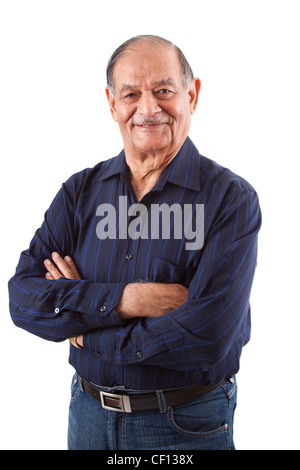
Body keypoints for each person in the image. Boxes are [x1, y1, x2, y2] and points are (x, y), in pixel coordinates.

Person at [8, 35, 261, 450]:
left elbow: (207, 336)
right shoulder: (79, 193)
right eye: (131, 94)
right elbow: (23, 298)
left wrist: (86, 330)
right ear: (112, 104)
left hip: (184, 425)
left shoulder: (231, 200)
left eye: (163, 90)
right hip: (87, 415)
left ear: (191, 95)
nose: (148, 108)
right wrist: (130, 300)